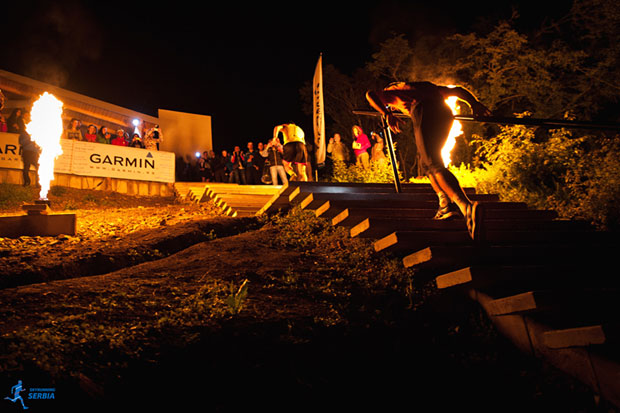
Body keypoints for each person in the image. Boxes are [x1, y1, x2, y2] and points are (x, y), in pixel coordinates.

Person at [366, 81, 492, 240]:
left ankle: (466, 207)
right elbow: (458, 90)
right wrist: (474, 103)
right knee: (426, 162)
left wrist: (387, 114)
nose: (391, 107)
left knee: (432, 162)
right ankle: (445, 204)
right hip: (444, 113)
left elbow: (370, 94)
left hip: (424, 111)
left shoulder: (393, 91)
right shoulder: (422, 88)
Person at [18, 113, 40, 187]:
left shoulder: (36, 133)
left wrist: (38, 150)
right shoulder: (24, 134)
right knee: (26, 168)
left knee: (38, 168)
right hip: (27, 152)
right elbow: (21, 142)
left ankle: (38, 183)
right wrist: (29, 139)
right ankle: (27, 182)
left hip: (34, 153)